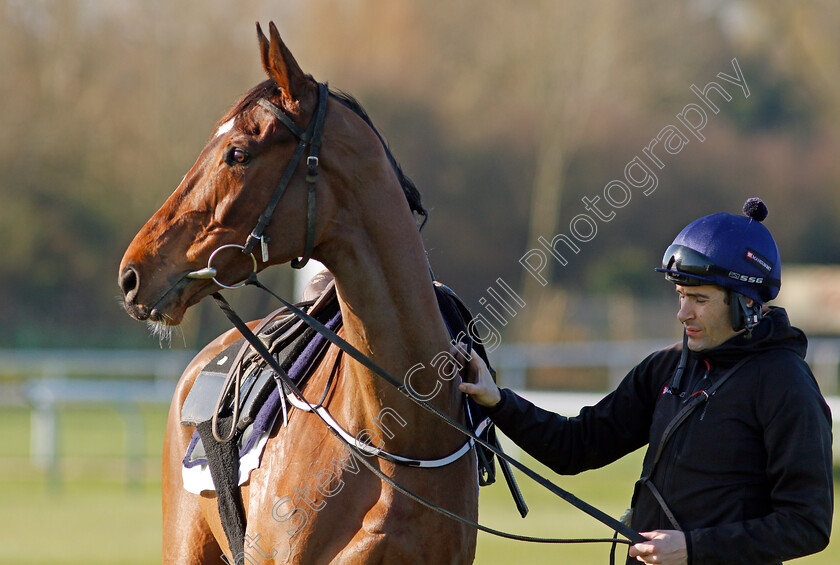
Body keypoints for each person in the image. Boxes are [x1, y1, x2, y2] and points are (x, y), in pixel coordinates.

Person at [459, 198, 833, 565]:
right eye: (681, 295)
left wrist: (693, 549)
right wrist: (498, 401)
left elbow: (807, 524)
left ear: (746, 303)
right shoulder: (667, 366)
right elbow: (576, 446)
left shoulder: (787, 385)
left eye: (699, 299)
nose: (682, 312)